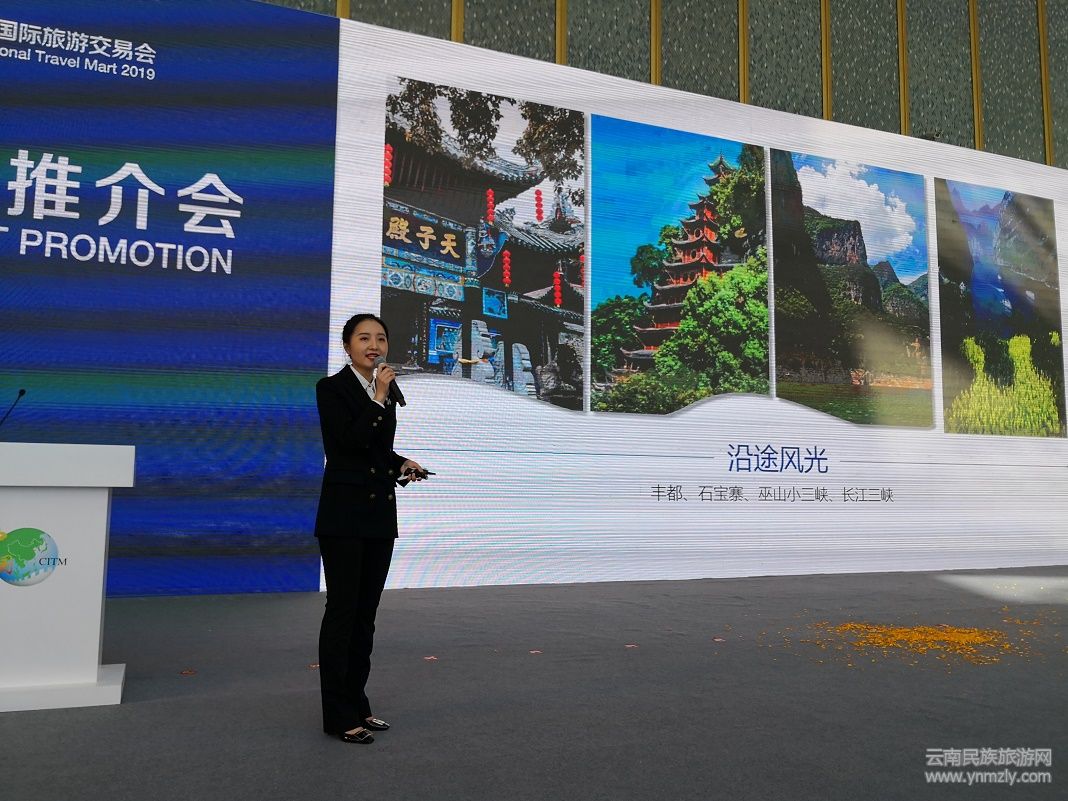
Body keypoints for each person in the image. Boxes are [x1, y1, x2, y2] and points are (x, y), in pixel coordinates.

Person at [314, 313, 426, 745]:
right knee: (342, 612)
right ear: (347, 346)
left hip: (379, 516)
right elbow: (347, 445)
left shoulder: (384, 391)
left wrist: (401, 464)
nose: (374, 345)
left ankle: (358, 704)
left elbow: (376, 451)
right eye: (363, 338)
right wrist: (378, 396)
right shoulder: (331, 389)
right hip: (343, 517)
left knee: (365, 616)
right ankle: (337, 714)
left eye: (380, 337)